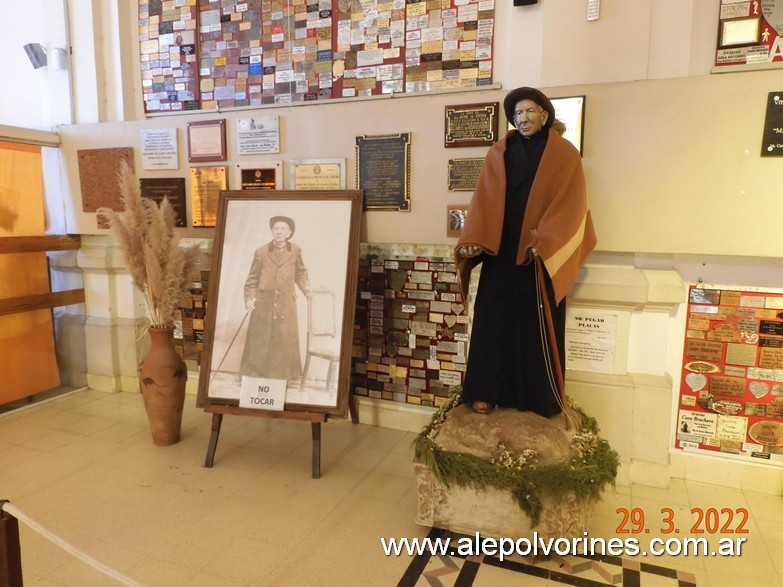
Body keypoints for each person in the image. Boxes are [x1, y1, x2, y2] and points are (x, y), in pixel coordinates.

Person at [455, 87, 596, 417]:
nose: (523, 118)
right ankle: (486, 392)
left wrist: (546, 239)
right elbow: (484, 200)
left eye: (530, 111)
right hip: (500, 255)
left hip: (537, 257)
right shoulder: (499, 152)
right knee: (492, 324)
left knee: (535, 330)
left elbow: (571, 205)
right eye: (517, 113)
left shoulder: (563, 154)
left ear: (544, 116)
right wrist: (475, 237)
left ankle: (539, 398)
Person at [240, 216, 312, 380]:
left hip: (286, 304)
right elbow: (252, 280)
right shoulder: (261, 252)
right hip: (264, 304)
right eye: (276, 228)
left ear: (289, 232)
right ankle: (257, 375)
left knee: (283, 339)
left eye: (282, 228)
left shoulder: (295, 250)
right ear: (272, 231)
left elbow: (300, 273)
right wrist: (250, 299)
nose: (279, 231)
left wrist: (306, 288)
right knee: (261, 339)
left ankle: (281, 377)